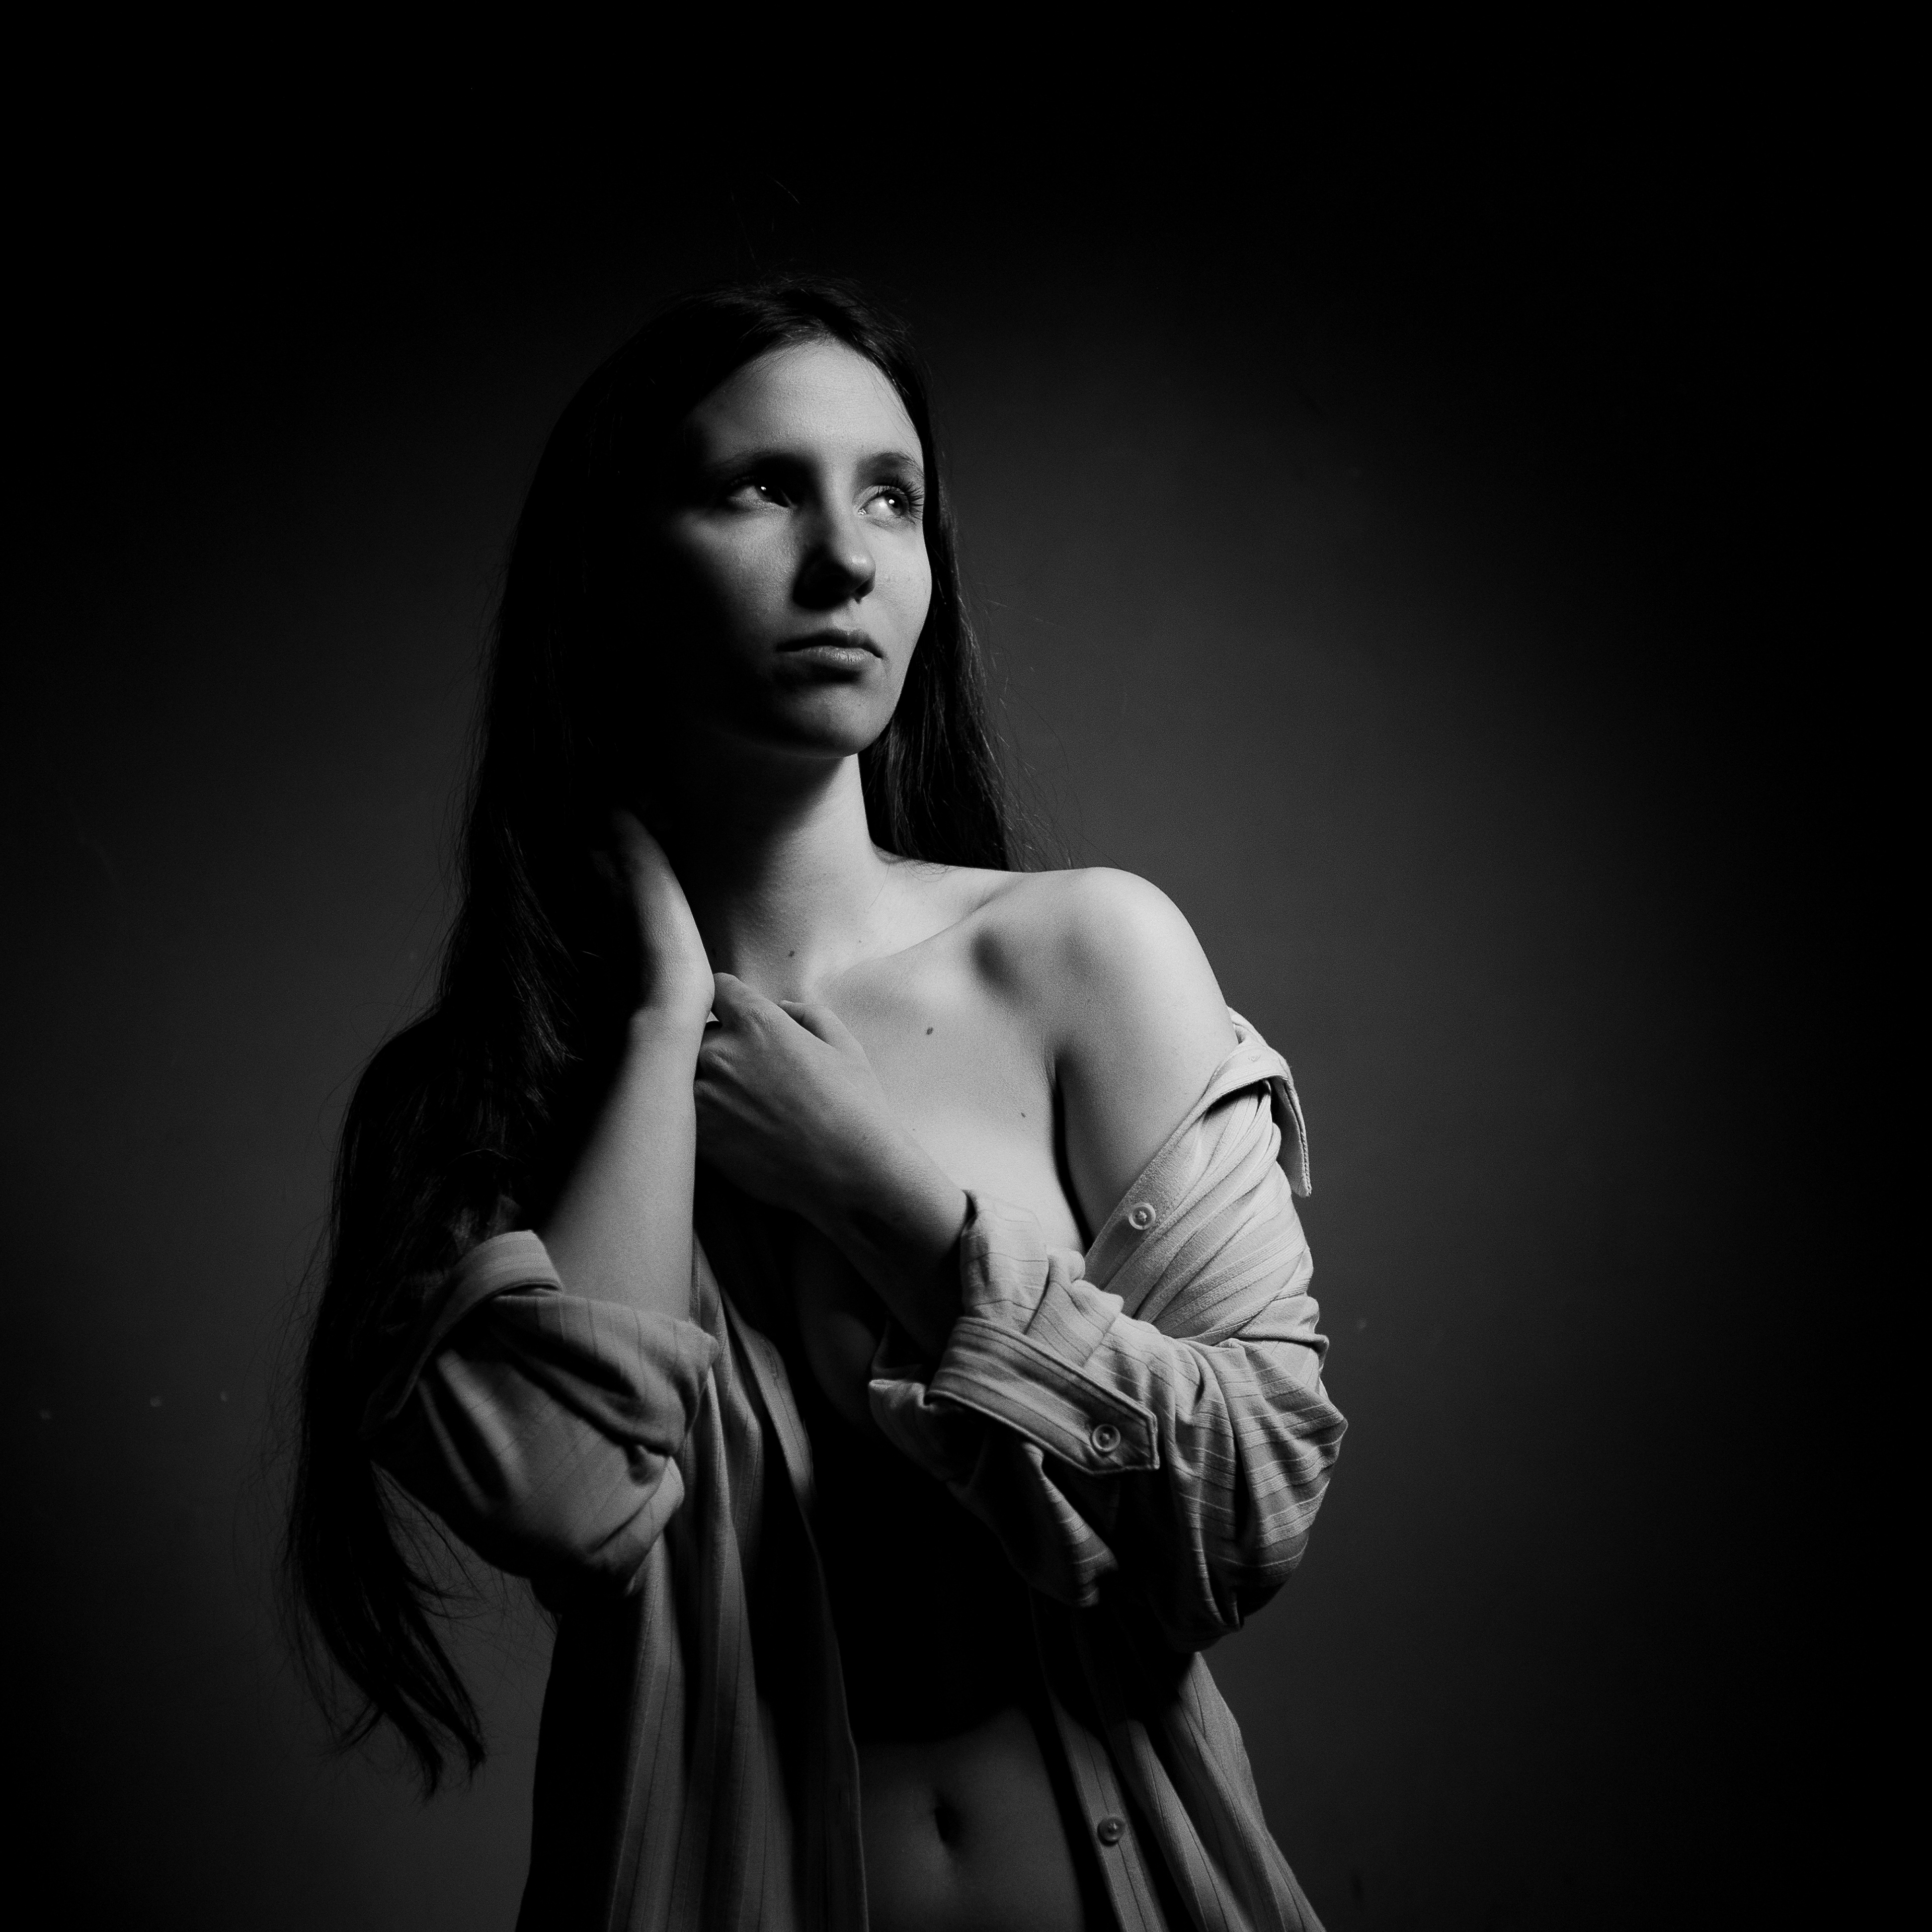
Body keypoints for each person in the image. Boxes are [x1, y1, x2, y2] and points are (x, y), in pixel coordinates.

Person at [288, 277, 1347, 1932]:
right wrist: (662, 1023)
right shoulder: (490, 1092)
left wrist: (874, 1188)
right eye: (762, 487)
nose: (846, 558)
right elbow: (566, 1502)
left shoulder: (1085, 958)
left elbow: (1250, 1501)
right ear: (616, 568)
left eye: (892, 496)